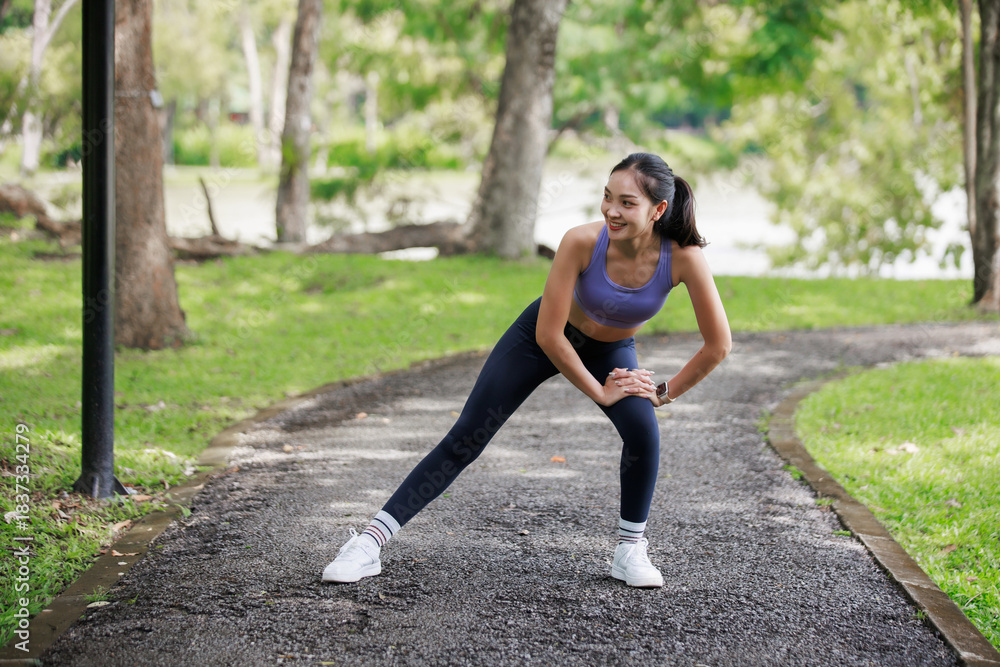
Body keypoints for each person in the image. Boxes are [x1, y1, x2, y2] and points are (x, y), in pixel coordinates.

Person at [322, 153, 732, 588]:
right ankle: (367, 544)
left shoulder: (682, 258)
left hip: (612, 350)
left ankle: (630, 549)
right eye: (607, 197)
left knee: (643, 432)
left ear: (658, 209)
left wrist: (662, 393)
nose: (611, 210)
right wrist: (600, 391)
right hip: (540, 337)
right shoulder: (580, 241)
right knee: (467, 436)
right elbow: (550, 337)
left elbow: (718, 344)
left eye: (627, 203)